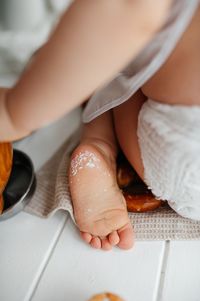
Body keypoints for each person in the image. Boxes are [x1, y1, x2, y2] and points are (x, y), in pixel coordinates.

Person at [1, 0, 199, 251]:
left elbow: (128, 8)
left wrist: (13, 111)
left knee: (111, 66)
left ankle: (99, 146)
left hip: (180, 140)